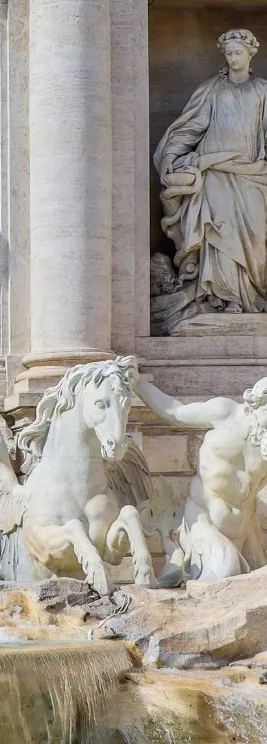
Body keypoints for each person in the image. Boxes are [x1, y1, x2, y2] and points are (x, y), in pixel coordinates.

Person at [153, 29, 267, 314]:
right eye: (228, 53)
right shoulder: (212, 88)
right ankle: (223, 297)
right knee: (219, 232)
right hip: (214, 171)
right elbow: (191, 127)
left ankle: (251, 296)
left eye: (238, 53)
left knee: (256, 236)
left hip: (251, 173)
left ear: (251, 53)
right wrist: (170, 153)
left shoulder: (262, 90)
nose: (232, 58)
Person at [136, 376, 267, 583]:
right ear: (255, 406)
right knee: (225, 572)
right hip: (203, 519)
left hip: (246, 530)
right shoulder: (226, 413)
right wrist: (137, 383)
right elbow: (175, 412)